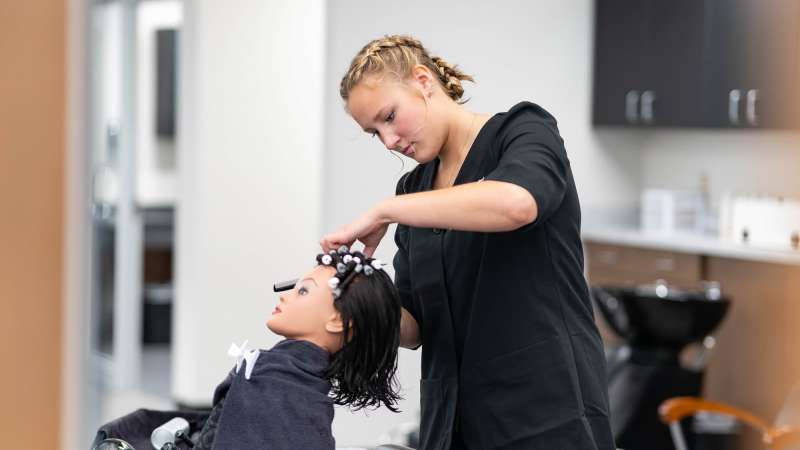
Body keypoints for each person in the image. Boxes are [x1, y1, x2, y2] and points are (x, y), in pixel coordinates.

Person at [321, 35, 616, 450]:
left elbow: (517, 204)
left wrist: (386, 211)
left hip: (544, 412)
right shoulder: (415, 189)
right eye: (375, 132)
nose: (389, 141)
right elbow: (414, 328)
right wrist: (354, 296)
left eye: (389, 117)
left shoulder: (521, 131)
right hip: (452, 420)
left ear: (423, 81)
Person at [92, 248, 402, 450]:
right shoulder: (295, 383)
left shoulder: (278, 384)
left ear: (338, 321)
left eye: (303, 291)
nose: (285, 296)